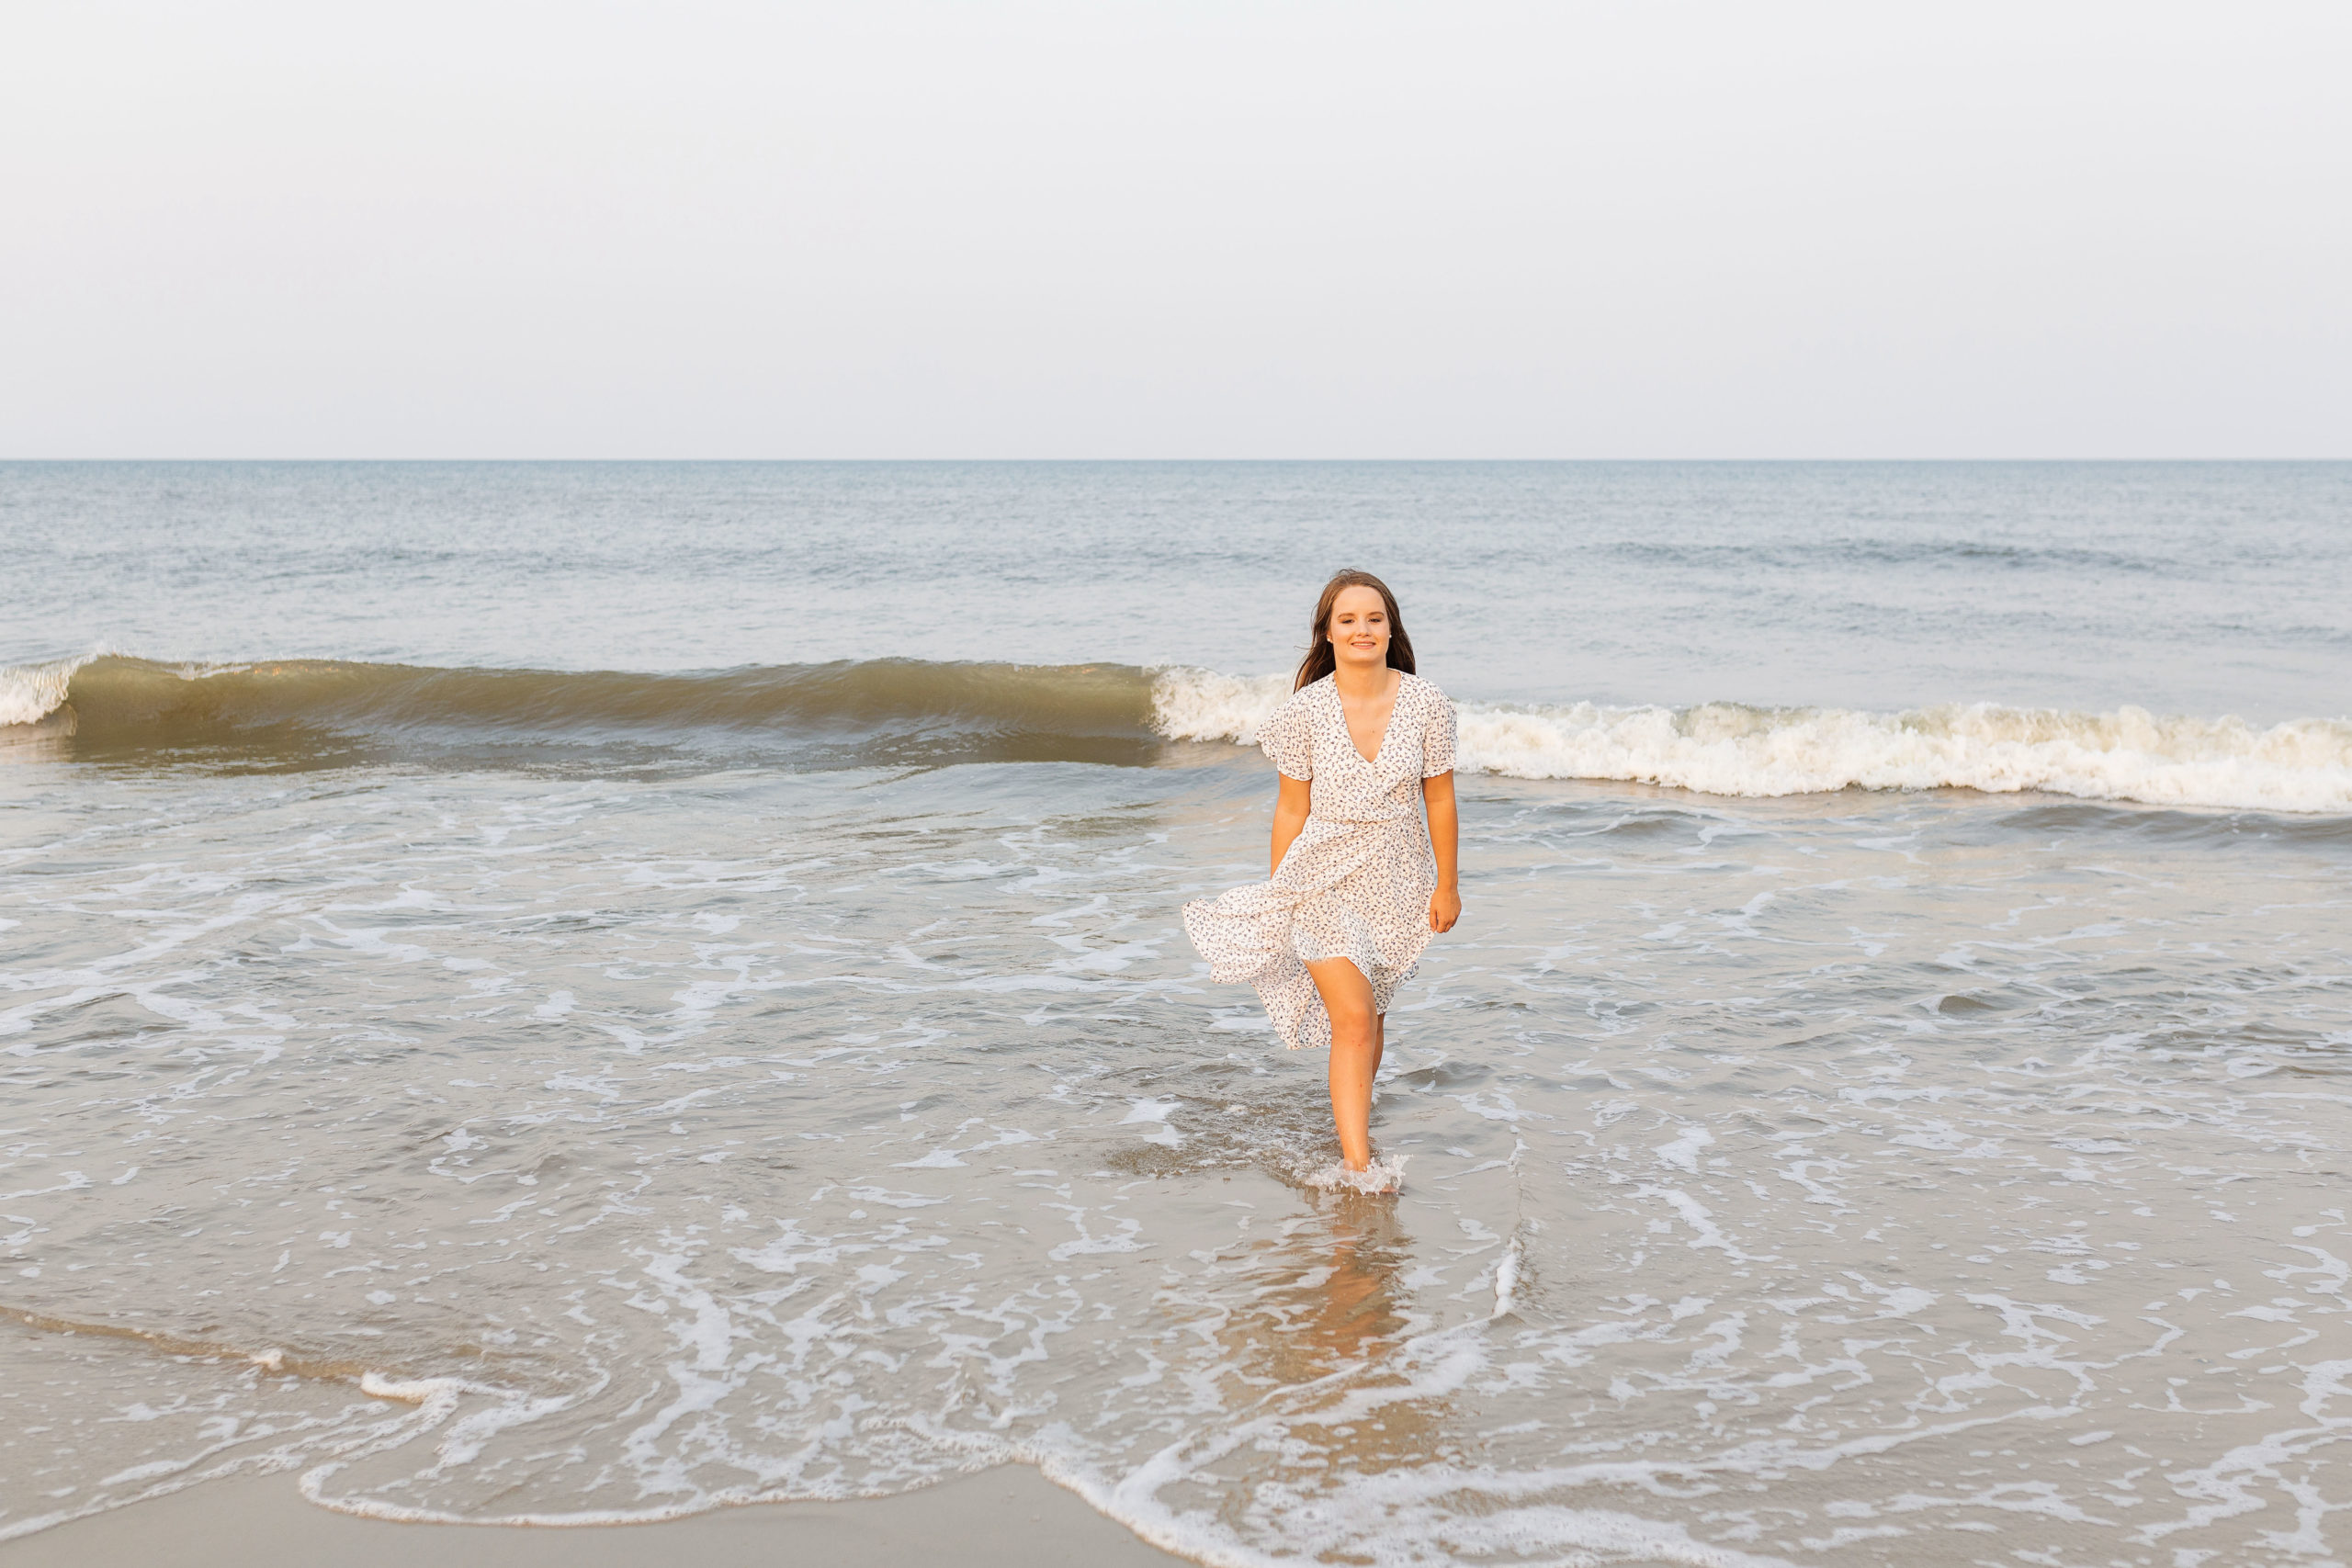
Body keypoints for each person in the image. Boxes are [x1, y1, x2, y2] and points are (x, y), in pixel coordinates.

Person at [1182, 569, 1461, 1179]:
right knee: (1354, 1018)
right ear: (1327, 634)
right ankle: (1359, 1170)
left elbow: (1438, 798)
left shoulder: (1427, 704)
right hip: (1319, 880)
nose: (1363, 629)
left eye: (1374, 618)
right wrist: (1281, 891)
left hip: (1397, 882)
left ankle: (1354, 1124)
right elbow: (1290, 808)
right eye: (1348, 620)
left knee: (1373, 1011)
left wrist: (1447, 883)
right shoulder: (1304, 712)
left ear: (1391, 629)